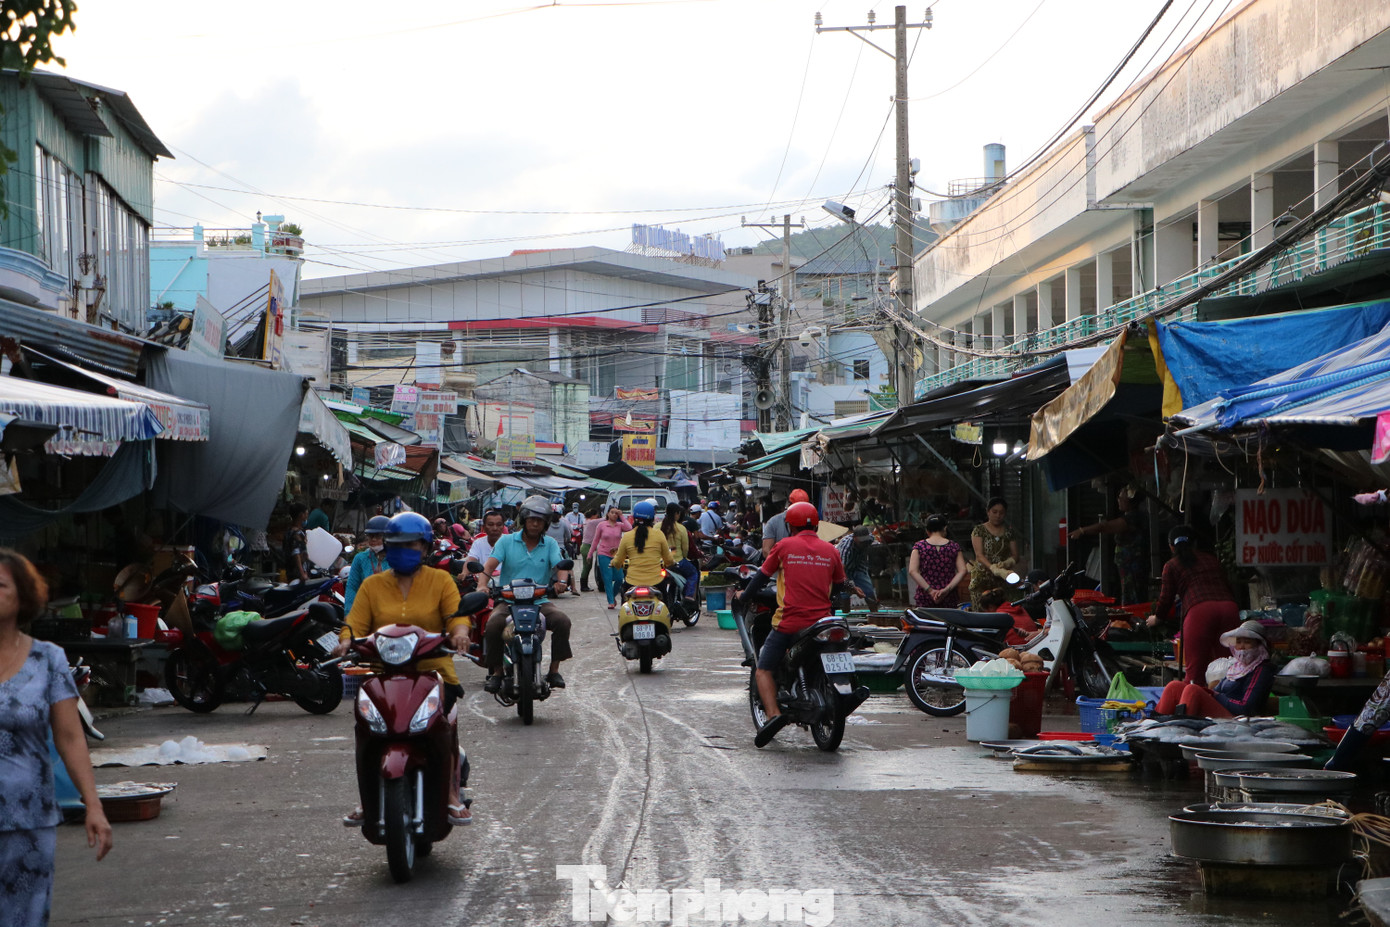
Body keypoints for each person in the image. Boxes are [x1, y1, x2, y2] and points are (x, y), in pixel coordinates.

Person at [335, 513, 471, 826]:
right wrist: (345, 642)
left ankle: (451, 793)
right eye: (396, 544)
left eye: (411, 544)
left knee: (442, 728)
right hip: (382, 675)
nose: (403, 549)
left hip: (434, 673)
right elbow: (354, 624)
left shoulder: (441, 581)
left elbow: (456, 616)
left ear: (425, 547)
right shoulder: (372, 585)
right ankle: (368, 796)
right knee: (366, 729)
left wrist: (460, 632)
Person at [0, 548, 112, 924]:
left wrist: (93, 804)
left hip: (29, 821)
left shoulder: (48, 659)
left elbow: (70, 737)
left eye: (0, 585)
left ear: (23, 597)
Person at [737, 502, 847, 748]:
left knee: (763, 667)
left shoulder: (784, 546)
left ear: (789, 525)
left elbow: (761, 577)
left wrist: (744, 597)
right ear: (817, 525)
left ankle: (774, 715)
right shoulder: (831, 550)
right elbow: (839, 585)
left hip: (790, 622)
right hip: (823, 623)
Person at [482, 495, 574, 693]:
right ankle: (497, 672)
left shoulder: (549, 544)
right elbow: (489, 566)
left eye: (539, 520)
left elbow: (561, 566)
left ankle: (554, 670)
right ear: (523, 519)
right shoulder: (506, 541)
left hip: (539, 601)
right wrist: (483, 585)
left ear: (546, 523)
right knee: (492, 625)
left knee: (562, 621)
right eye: (531, 519)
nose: (535, 523)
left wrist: (562, 582)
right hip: (508, 601)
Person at [1145, 525, 1240, 685]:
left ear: (1171, 546)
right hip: (1229, 608)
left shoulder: (1171, 565)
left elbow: (1166, 599)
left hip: (1200, 612)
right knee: (1229, 667)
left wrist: (1157, 618)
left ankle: (1195, 707)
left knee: (1195, 674)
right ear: (1195, 543)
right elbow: (1228, 586)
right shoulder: (1212, 559)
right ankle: (1228, 705)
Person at [1154, 620, 1275, 718]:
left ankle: (1181, 730)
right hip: (1222, 708)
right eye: (1239, 642)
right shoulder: (1237, 667)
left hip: (1237, 718)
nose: (1241, 647)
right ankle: (1155, 726)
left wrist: (1216, 696)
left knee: (1193, 691)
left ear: (1258, 645)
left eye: (1247, 642)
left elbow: (1246, 707)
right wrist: (1209, 692)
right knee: (1174, 687)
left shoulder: (1261, 670)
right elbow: (1217, 690)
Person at [1069, 484, 1149, 605]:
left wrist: (1082, 531)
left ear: (1131, 502)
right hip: (1125, 566)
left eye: (1122, 498)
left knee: (1133, 594)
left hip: (1133, 566)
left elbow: (1104, 526)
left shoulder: (1133, 518)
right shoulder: (1130, 516)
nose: (1119, 500)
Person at [611, 500, 677, 598]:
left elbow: (618, 561)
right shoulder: (659, 535)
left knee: (624, 603)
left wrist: (614, 563)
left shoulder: (627, 536)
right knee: (665, 604)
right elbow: (668, 559)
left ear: (634, 518)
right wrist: (672, 563)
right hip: (656, 582)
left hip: (632, 582)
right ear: (652, 518)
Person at [969, 497, 1020, 610]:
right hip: (982, 579)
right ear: (988, 512)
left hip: (1002, 580)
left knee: (1003, 611)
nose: (998, 515)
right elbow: (979, 555)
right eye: (994, 512)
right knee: (981, 614)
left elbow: (1015, 555)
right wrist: (992, 568)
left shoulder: (1009, 533)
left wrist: (1007, 563)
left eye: (1001, 513)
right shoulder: (979, 530)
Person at [909, 514, 969, 608]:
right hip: (949, 596)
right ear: (945, 528)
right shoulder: (954, 546)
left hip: (925, 596)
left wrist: (930, 591)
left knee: (926, 622)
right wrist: (946, 590)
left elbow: (913, 571)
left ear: (927, 531)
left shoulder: (919, 546)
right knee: (947, 622)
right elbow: (963, 571)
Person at [343, 515, 391, 613]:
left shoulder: (397, 559)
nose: (373, 539)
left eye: (377, 536)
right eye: (370, 536)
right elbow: (352, 587)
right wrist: (349, 613)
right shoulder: (360, 559)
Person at [591, 506, 632, 609]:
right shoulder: (602, 525)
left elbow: (629, 528)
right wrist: (590, 553)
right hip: (604, 553)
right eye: (612, 512)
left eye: (616, 513)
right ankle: (610, 601)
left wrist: (621, 515)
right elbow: (596, 540)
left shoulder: (619, 525)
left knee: (619, 578)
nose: (614, 514)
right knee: (607, 578)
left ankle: (612, 596)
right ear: (608, 514)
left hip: (617, 555)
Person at [835, 525, 880, 612]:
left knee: (869, 590)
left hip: (859, 565)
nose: (863, 543)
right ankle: (846, 615)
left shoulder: (869, 538)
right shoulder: (846, 546)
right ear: (855, 538)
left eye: (865, 541)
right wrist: (852, 587)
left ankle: (875, 615)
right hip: (845, 568)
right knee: (845, 593)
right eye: (861, 541)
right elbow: (841, 569)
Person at [660, 502, 699, 601]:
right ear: (677, 514)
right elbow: (685, 549)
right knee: (693, 573)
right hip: (677, 561)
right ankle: (689, 596)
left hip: (659, 562)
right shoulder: (681, 528)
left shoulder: (657, 526)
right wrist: (684, 557)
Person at [761, 490, 810, 558]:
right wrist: (780, 565)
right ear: (790, 505)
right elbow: (766, 550)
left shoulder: (810, 522)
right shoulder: (773, 522)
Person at [283, 502, 310, 583]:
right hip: (297, 573)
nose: (306, 517)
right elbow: (296, 553)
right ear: (301, 515)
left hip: (289, 571)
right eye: (306, 514)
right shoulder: (297, 533)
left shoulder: (288, 531)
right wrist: (302, 573)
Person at [579, 509, 602, 592]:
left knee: (587, 567)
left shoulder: (586, 521)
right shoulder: (591, 522)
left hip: (585, 546)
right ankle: (583, 586)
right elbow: (603, 520)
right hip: (587, 547)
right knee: (587, 567)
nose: (597, 517)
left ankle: (584, 585)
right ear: (593, 516)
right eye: (597, 516)